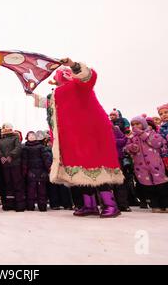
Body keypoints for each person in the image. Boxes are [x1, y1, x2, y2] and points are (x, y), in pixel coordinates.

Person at [33, 57, 124, 218]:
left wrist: (73, 65)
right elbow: (48, 103)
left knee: (97, 166)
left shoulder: (79, 85)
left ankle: (110, 204)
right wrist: (31, 92)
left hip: (92, 132)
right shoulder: (58, 93)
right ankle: (90, 205)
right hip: (73, 136)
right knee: (81, 170)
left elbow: (88, 76)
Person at [125, 115, 168, 213]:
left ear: (143, 124)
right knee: (148, 186)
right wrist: (132, 147)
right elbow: (126, 148)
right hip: (141, 166)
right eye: (133, 124)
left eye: (138, 124)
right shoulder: (132, 137)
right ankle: (155, 205)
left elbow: (157, 143)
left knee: (162, 185)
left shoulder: (151, 133)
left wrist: (142, 134)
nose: (135, 126)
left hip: (155, 164)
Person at [0, 123, 25, 211]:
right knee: (8, 184)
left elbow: (18, 148)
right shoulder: (1, 140)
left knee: (17, 183)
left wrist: (11, 156)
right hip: (5, 165)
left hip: (15, 164)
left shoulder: (15, 137)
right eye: (5, 127)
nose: (6, 128)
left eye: (8, 126)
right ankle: (9, 204)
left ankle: (19, 205)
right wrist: (1, 157)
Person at [21, 131, 52, 211]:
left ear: (36, 137)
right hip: (30, 171)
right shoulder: (25, 148)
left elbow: (46, 159)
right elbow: (24, 161)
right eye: (29, 135)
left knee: (42, 190)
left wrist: (48, 169)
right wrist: (24, 172)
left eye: (33, 135)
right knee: (31, 190)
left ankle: (42, 207)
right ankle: (30, 207)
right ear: (27, 137)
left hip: (41, 171)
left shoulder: (41, 147)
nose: (31, 137)